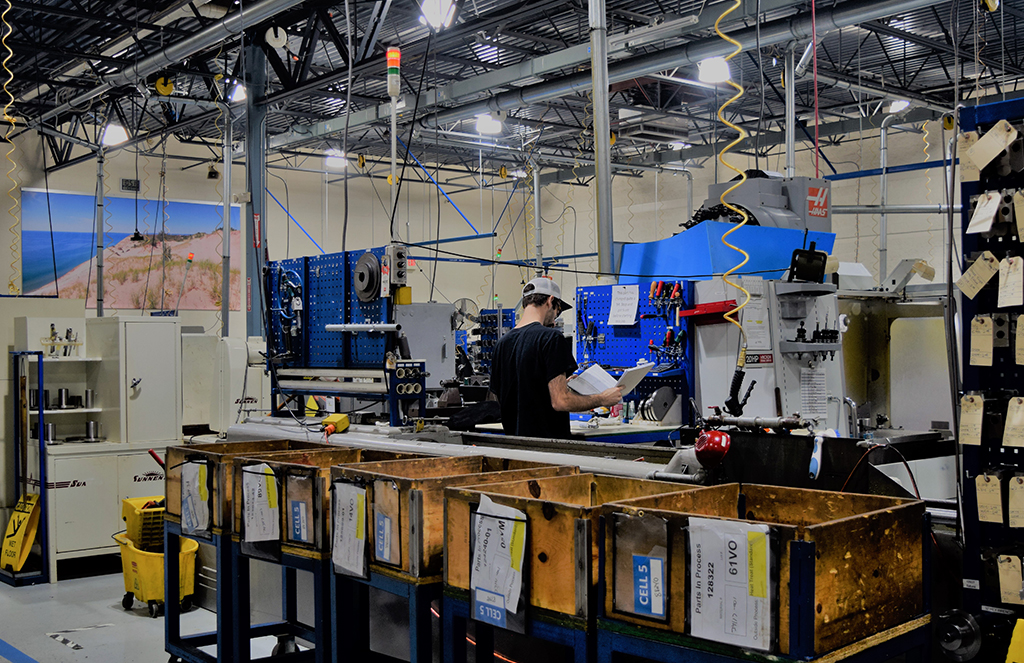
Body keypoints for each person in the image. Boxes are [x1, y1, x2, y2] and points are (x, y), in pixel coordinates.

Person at [489, 277, 622, 438]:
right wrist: (602, 398)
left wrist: (550, 383)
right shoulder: (551, 338)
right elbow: (561, 402)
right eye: (558, 310)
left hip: (515, 446)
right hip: (548, 449)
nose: (554, 319)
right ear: (550, 301)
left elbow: (510, 394)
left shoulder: (501, 344)